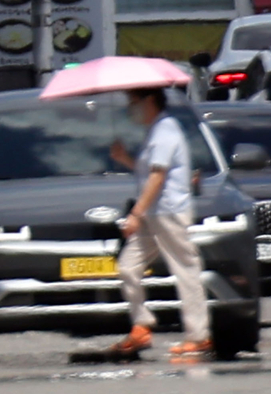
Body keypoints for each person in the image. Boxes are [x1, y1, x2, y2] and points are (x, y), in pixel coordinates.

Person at [105, 87, 212, 362]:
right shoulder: (155, 130)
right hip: (154, 214)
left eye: (133, 102)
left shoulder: (166, 130)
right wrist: (124, 158)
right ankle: (142, 324)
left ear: (150, 100)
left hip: (169, 213)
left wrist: (136, 214)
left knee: (186, 269)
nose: (131, 108)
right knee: (128, 267)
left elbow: (157, 177)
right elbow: (147, 171)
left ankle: (198, 336)